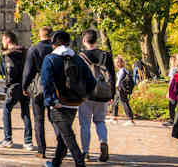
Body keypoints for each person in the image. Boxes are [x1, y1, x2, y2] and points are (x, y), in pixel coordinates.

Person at [41, 30, 96, 167]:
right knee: (63, 135)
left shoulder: (50, 59)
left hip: (59, 103)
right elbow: (92, 81)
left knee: (67, 135)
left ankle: (79, 161)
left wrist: (51, 100)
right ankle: (55, 163)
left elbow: (46, 82)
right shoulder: (77, 58)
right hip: (74, 102)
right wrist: (83, 97)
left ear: (54, 44)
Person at [78, 29, 115, 163]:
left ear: (84, 41)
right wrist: (112, 94)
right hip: (102, 93)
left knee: (85, 125)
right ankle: (103, 141)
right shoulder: (106, 55)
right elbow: (112, 75)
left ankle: (85, 152)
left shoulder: (81, 56)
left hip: (86, 94)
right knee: (100, 121)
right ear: (96, 40)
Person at [22, 26, 54, 159]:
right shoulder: (55, 49)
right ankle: (62, 145)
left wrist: (24, 86)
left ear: (40, 35)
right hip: (53, 87)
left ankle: (42, 150)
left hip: (38, 87)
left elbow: (28, 71)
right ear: (51, 35)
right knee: (55, 119)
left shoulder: (34, 49)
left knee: (39, 119)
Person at [0, 31, 33, 151]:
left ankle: (8, 139)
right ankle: (28, 141)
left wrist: (8, 84)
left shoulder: (9, 54)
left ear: (8, 40)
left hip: (13, 86)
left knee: (6, 111)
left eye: (3, 40)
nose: (2, 42)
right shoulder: (26, 52)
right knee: (25, 112)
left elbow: (10, 71)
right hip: (25, 86)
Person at [110, 56, 135, 125]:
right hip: (120, 89)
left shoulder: (122, 70)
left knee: (124, 103)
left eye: (118, 62)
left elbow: (119, 80)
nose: (117, 64)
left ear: (122, 63)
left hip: (121, 89)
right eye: (116, 62)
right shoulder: (123, 70)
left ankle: (131, 120)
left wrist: (115, 87)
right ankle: (114, 118)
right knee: (115, 103)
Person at [164, 54, 178, 127]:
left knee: (171, 105)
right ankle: (175, 120)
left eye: (171, 61)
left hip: (173, 89)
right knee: (176, 105)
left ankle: (172, 120)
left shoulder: (173, 69)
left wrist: (168, 91)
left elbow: (171, 81)